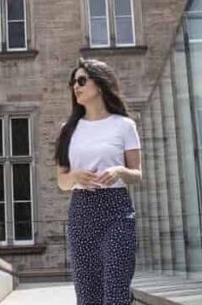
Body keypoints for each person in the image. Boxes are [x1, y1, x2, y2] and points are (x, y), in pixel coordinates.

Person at [55, 59, 142, 305]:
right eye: (73, 82)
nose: (76, 86)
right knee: (88, 297)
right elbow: (62, 181)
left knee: (115, 292)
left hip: (117, 212)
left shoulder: (124, 126)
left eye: (82, 80)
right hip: (82, 213)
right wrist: (75, 177)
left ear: (100, 85)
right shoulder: (68, 130)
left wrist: (119, 171)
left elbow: (137, 174)